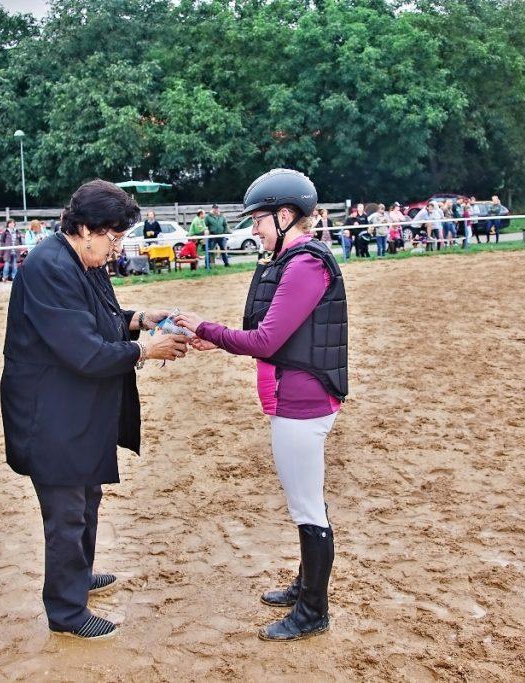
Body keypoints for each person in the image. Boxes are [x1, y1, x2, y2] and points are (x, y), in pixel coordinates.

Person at [0, 179, 189, 640]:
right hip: (50, 415)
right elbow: (83, 349)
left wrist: (139, 319)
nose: (116, 248)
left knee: (86, 499)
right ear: (85, 228)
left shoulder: (83, 261)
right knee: (66, 513)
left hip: (76, 411)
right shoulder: (49, 266)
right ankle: (66, 612)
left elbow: (99, 318)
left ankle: (79, 575)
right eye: (114, 237)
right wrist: (145, 350)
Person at [174, 169, 347, 642]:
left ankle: (313, 611)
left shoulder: (304, 264)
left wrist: (206, 328)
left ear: (285, 216)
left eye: (259, 220)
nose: (255, 229)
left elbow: (267, 340)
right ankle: (305, 587)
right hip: (296, 395)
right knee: (305, 499)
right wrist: (220, 340)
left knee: (306, 506)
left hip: (302, 401)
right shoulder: (289, 260)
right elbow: (267, 333)